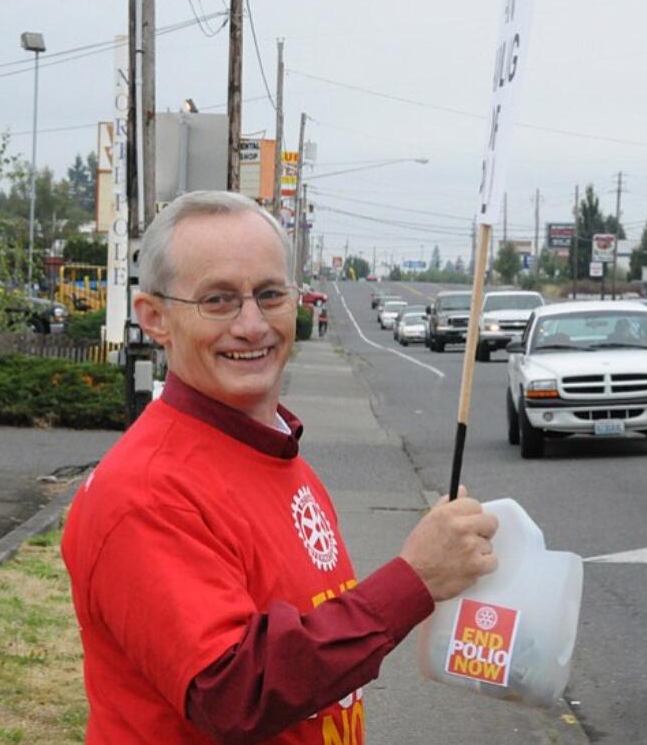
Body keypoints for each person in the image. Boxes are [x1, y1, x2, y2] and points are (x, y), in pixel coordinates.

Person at [61, 191, 498, 744]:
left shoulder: (275, 452)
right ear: (155, 318)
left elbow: (313, 645)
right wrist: (412, 582)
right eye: (217, 300)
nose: (251, 324)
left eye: (270, 295)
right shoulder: (146, 491)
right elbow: (234, 695)